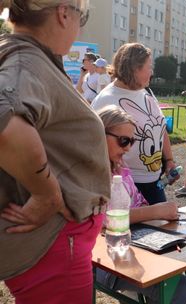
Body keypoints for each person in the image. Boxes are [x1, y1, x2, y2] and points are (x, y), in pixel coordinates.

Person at [0, 1, 111, 302]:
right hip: (54, 248)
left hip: (56, 246)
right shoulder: (25, 62)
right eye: (82, 16)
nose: (80, 26)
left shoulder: (28, 57)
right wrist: (47, 194)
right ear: (64, 13)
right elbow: (5, 125)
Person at [95, 105, 186, 304]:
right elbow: (102, 220)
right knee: (180, 289)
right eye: (124, 141)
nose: (128, 147)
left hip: (139, 242)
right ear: (99, 134)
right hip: (109, 259)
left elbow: (139, 204)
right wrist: (155, 211)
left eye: (132, 141)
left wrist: (163, 216)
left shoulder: (120, 166)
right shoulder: (87, 172)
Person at [92, 43, 179, 204]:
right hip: (125, 184)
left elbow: (160, 127)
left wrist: (169, 161)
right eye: (149, 67)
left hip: (155, 182)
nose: (152, 72)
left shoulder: (146, 92)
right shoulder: (106, 99)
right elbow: (95, 146)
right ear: (134, 68)